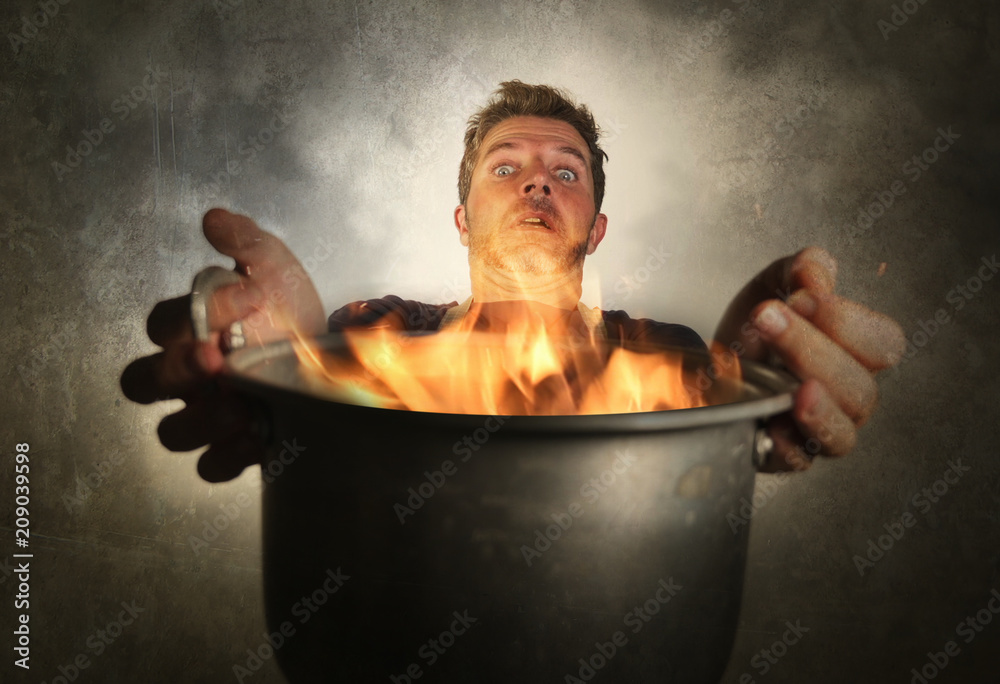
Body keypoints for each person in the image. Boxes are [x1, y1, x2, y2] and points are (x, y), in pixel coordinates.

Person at [121, 81, 905, 482]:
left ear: (596, 229)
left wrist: (752, 389)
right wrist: (273, 359)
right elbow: (314, 383)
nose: (537, 186)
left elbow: (712, 432)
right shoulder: (376, 332)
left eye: (565, 172)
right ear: (462, 220)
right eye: (507, 168)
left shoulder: (664, 357)